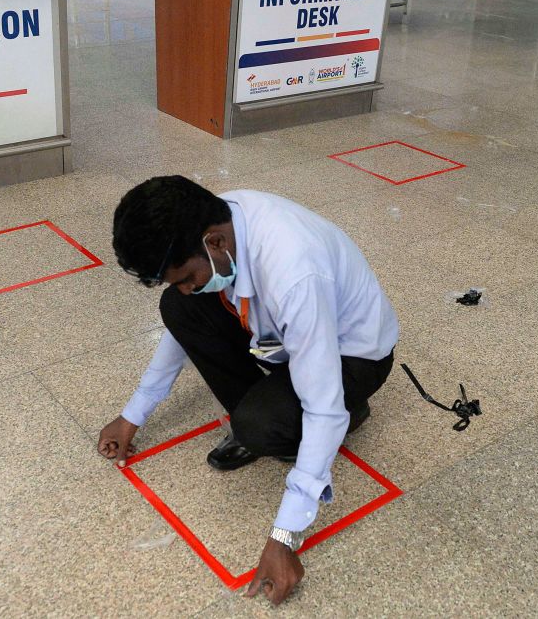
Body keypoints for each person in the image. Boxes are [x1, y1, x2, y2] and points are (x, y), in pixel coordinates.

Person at [98, 176, 399, 605]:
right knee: (179, 308)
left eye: (185, 276)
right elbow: (186, 322)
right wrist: (135, 412)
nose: (186, 285)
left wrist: (284, 536)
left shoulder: (293, 270)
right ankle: (271, 409)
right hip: (291, 339)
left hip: (354, 354)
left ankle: (351, 408)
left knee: (260, 427)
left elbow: (322, 405)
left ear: (215, 242)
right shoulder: (219, 224)